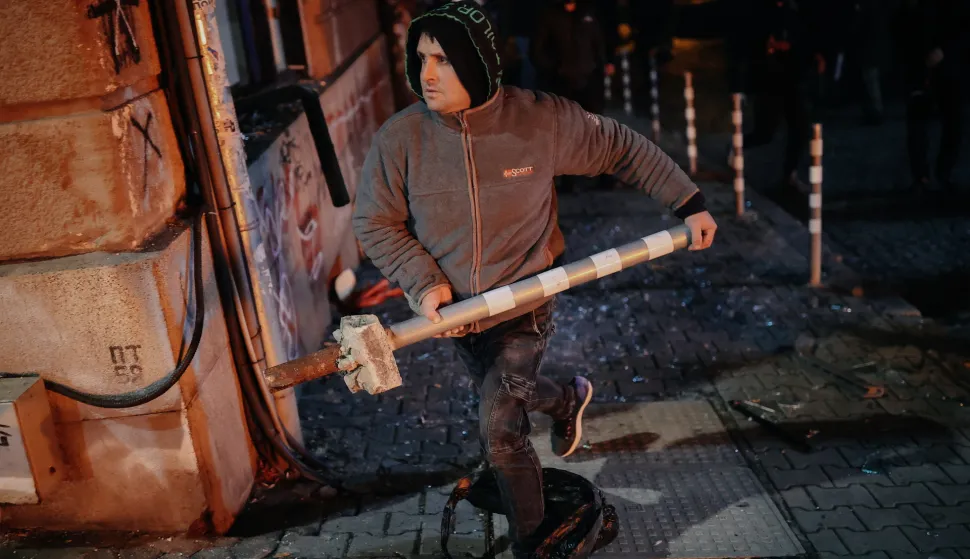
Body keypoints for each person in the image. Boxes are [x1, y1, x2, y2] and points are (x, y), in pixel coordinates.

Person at [351, 2, 717, 556]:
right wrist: (425, 284)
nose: (427, 74)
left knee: (499, 427)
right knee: (507, 399)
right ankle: (567, 400)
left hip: (525, 305)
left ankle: (533, 543)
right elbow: (375, 222)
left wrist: (688, 204)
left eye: (443, 59)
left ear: (477, 62)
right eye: (421, 58)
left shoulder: (539, 121)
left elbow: (621, 147)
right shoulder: (401, 139)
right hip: (455, 318)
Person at [899, 0, 969, 192]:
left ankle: (942, 172)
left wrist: (946, 50)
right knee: (919, 124)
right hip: (920, 67)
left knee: (953, 123)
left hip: (948, 68)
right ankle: (923, 175)